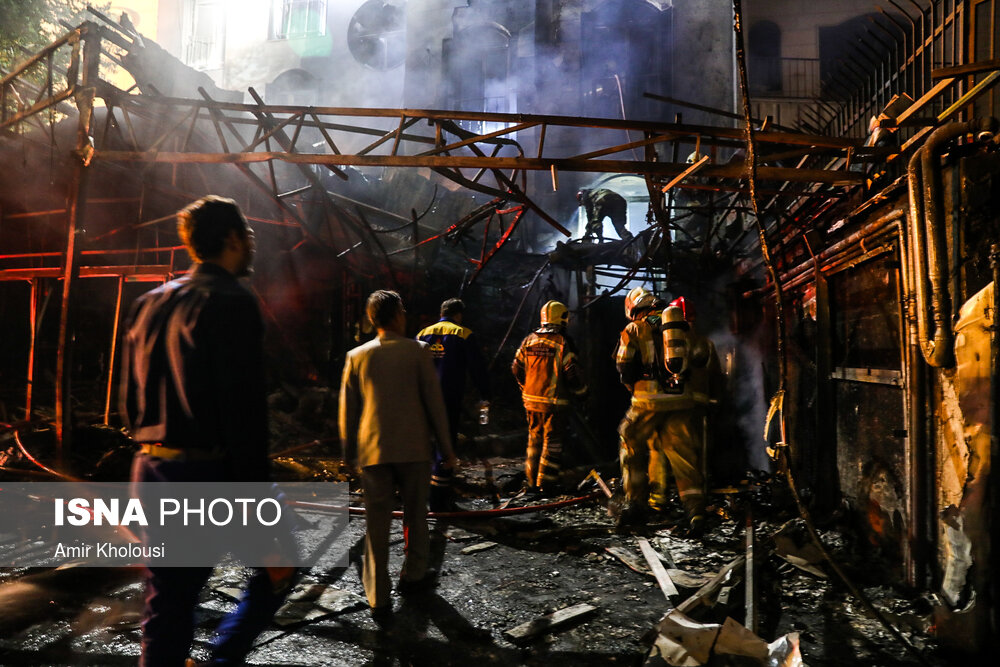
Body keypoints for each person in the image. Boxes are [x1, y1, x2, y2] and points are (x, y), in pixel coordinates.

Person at [120, 195, 293, 667]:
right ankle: (224, 658)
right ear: (233, 239)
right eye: (249, 235)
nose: (252, 243)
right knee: (278, 568)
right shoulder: (232, 302)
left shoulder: (148, 303)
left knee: (167, 606)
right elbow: (243, 414)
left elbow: (129, 405)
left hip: (150, 471)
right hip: (206, 474)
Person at [339, 290, 457, 619]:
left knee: (376, 525)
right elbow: (434, 404)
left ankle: (378, 596)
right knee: (415, 515)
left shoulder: (356, 355)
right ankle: (413, 576)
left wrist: (347, 453)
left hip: (373, 451)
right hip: (414, 449)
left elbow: (347, 410)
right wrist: (446, 450)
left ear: (372, 318)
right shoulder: (418, 351)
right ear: (397, 315)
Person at [416, 298, 491, 512]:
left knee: (424, 445)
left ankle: (421, 496)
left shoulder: (422, 334)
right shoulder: (464, 334)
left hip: (422, 400)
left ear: (442, 313)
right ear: (458, 315)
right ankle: (439, 501)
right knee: (444, 446)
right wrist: (485, 394)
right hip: (447, 400)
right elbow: (477, 369)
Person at [511, 300, 588, 497]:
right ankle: (545, 485)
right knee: (552, 444)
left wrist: (525, 388)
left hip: (531, 402)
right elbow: (572, 373)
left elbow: (516, 368)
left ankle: (531, 482)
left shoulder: (529, 340)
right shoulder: (562, 342)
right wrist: (582, 394)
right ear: (562, 319)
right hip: (554, 404)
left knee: (534, 441)